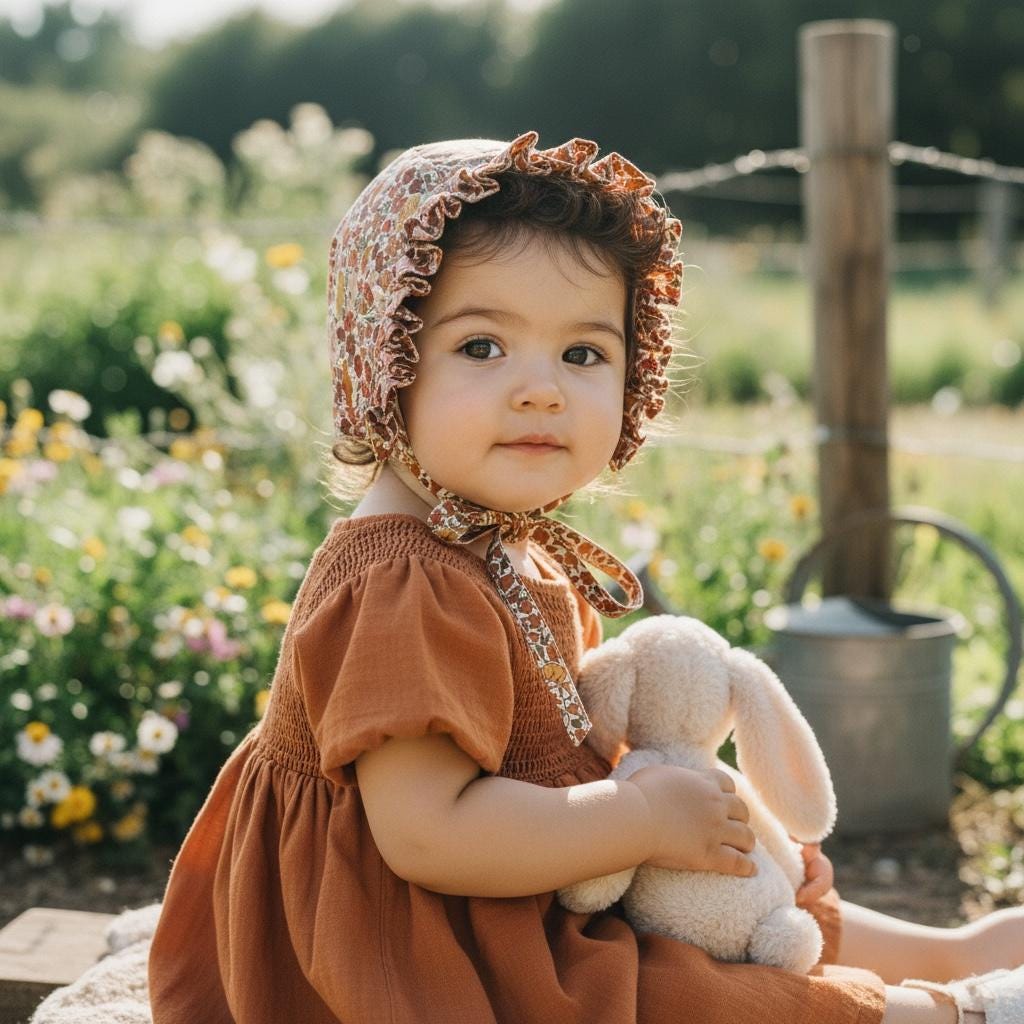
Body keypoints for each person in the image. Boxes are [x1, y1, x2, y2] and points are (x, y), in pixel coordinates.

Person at [148, 131, 1024, 1024]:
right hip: (405, 954)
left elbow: (557, 762)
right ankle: (941, 1012)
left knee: (732, 901)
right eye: (482, 347)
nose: (542, 390)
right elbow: (428, 835)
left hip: (517, 883)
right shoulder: (403, 580)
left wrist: (726, 835)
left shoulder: (498, 548)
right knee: (663, 996)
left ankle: (954, 951)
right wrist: (639, 820)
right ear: (384, 363)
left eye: (582, 355)